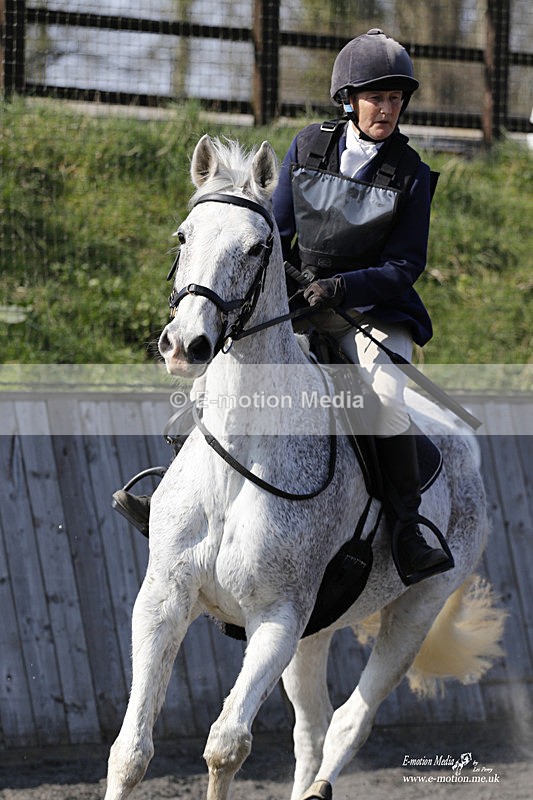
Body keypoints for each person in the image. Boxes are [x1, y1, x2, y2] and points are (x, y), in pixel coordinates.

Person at [271, 28, 452, 584]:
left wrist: (343, 289)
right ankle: (175, 484)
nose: (388, 109)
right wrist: (289, 284)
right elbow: (277, 231)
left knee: (385, 394)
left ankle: (407, 527)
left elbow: (404, 265)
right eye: (377, 97)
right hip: (303, 300)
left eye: (396, 99)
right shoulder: (308, 146)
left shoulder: (410, 172)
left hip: (375, 310)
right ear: (349, 100)